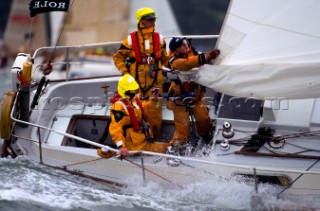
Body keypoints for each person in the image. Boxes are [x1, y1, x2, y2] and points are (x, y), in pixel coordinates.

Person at [113, 7, 169, 140]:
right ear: (141, 21)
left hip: (155, 84)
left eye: (153, 19)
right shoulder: (131, 40)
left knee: (155, 115)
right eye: (148, 19)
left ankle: (154, 140)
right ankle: (138, 141)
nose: (151, 21)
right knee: (135, 113)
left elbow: (165, 59)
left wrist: (177, 64)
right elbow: (118, 57)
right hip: (135, 84)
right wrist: (125, 73)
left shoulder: (159, 39)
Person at [166, 37, 220, 147]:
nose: (186, 45)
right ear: (175, 51)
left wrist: (210, 57)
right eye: (181, 45)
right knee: (182, 131)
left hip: (196, 96)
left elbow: (203, 61)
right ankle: (174, 148)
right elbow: (187, 64)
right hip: (179, 100)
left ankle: (206, 138)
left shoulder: (195, 53)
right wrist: (208, 56)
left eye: (185, 43)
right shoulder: (174, 61)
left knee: (204, 121)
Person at [108, 74, 170, 157]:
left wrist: (154, 100)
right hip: (135, 146)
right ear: (126, 90)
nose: (135, 91)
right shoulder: (119, 106)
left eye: (135, 89)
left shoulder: (134, 101)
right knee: (167, 148)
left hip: (144, 140)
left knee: (168, 147)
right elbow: (115, 128)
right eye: (133, 90)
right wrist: (121, 146)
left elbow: (145, 108)